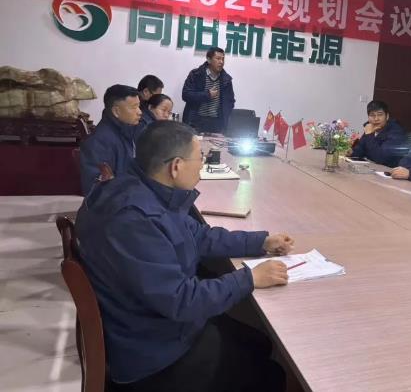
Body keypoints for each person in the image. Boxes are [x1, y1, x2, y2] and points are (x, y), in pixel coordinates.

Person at [76, 120, 292, 391]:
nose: (202, 165)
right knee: (271, 375)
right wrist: (249, 278)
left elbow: (200, 236)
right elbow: (181, 300)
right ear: (176, 166)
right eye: (199, 158)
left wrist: (261, 242)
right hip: (152, 352)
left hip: (151, 322)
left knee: (259, 343)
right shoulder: (135, 220)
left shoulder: (144, 189)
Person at [79, 84, 142, 194]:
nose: (140, 112)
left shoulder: (127, 132)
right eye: (134, 107)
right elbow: (97, 189)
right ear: (116, 111)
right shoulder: (99, 142)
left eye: (139, 106)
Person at [182, 47, 235, 134]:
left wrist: (225, 116)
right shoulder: (196, 74)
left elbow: (230, 101)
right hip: (196, 121)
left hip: (217, 124)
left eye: (223, 59)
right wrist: (207, 95)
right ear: (209, 59)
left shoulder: (226, 80)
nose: (221, 62)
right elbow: (186, 95)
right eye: (218, 58)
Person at [350, 100, 406, 167]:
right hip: (372, 167)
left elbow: (381, 158)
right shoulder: (370, 127)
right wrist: (350, 152)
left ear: (387, 116)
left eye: (380, 115)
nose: (376, 119)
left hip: (389, 170)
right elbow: (360, 151)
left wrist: (369, 135)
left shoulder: (396, 132)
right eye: (372, 115)